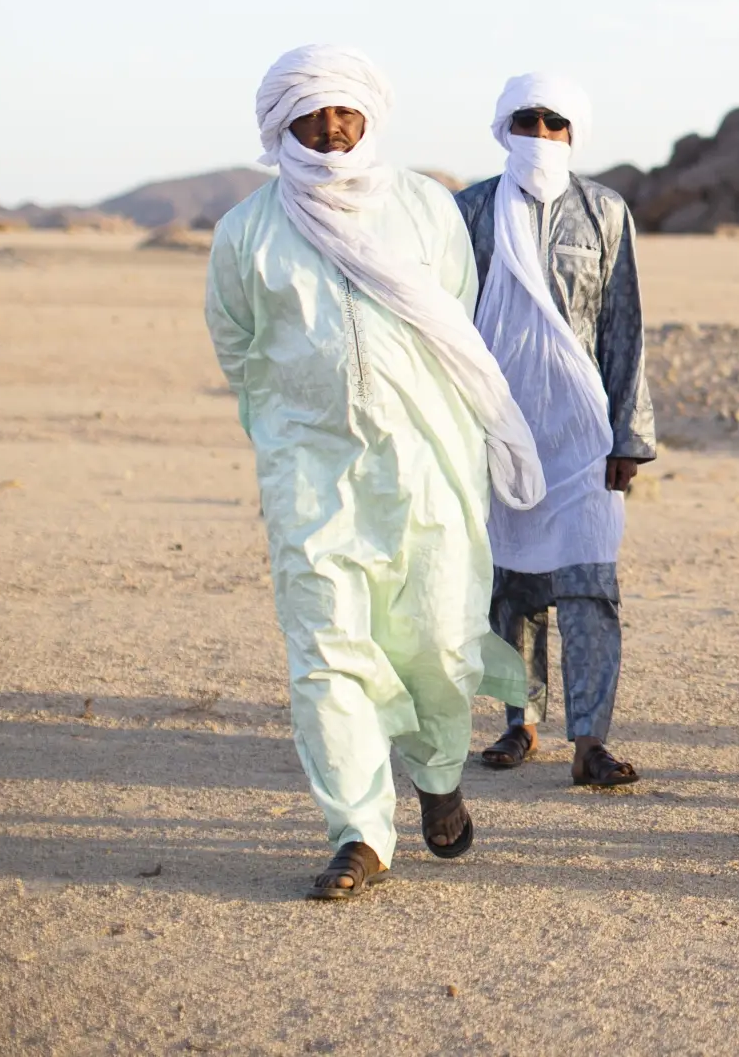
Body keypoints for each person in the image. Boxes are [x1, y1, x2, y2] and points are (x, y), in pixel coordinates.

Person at [205, 46, 539, 901]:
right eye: (310, 114)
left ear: (368, 118)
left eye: (343, 112)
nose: (329, 128)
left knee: (433, 638)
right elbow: (239, 347)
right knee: (326, 653)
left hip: (425, 466)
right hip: (311, 475)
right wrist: (286, 436)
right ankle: (358, 831)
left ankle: (436, 775)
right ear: (281, 124)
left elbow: (454, 321)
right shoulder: (247, 230)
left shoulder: (425, 208)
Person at [456, 74, 657, 789]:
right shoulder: (472, 208)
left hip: (582, 432)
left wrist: (628, 436)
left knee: (589, 582)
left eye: (553, 122)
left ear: (574, 132)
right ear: (504, 126)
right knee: (510, 586)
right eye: (526, 119)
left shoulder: (605, 210)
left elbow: (623, 324)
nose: (539, 133)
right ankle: (520, 723)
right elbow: (447, 320)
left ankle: (590, 740)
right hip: (494, 424)